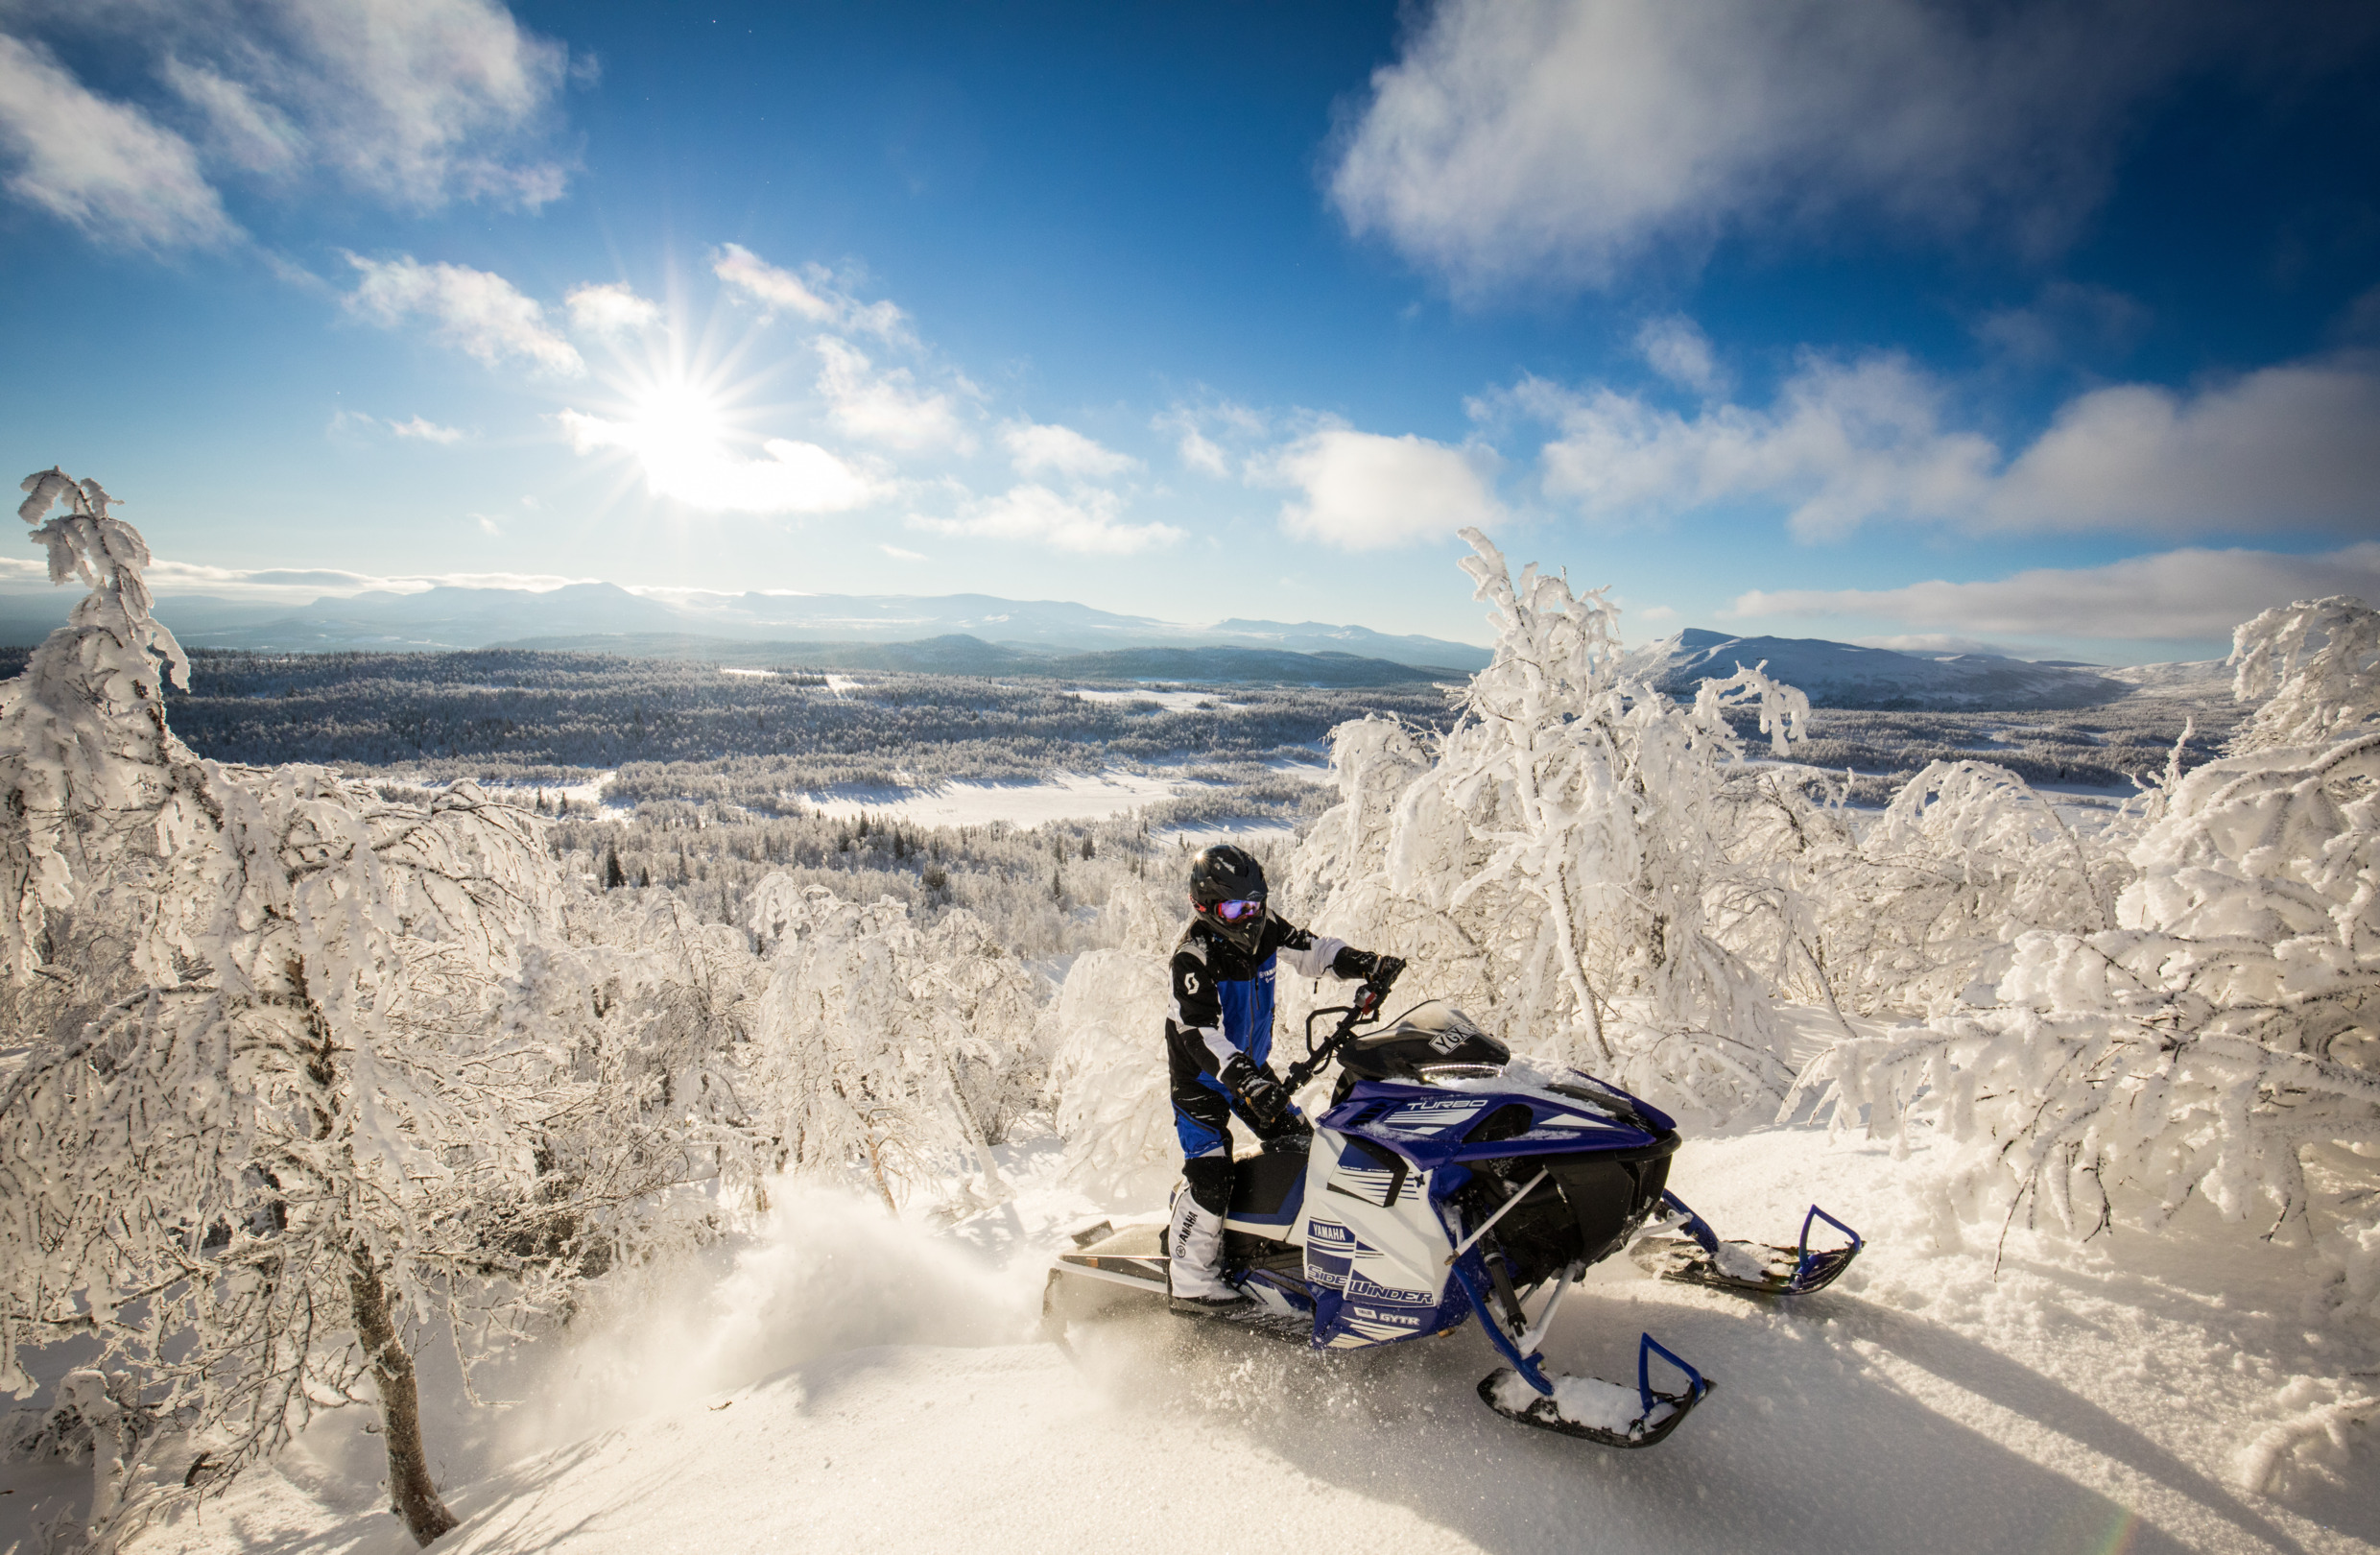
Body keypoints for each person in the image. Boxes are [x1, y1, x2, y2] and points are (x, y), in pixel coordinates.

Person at [1163, 843, 1401, 1313]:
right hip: (1204, 1081)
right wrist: (1245, 1080)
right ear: (1205, 906)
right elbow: (1201, 1034)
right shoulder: (1193, 957)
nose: (1249, 917)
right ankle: (1191, 1284)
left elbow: (1313, 950)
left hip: (1250, 1069)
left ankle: (1284, 1248)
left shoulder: (1264, 929)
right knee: (1212, 1175)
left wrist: (1361, 963)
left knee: (1306, 1151)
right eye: (1235, 907)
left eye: (1256, 904)